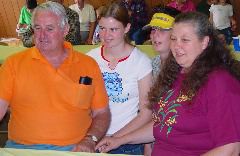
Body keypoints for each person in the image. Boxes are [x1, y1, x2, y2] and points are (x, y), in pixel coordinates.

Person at [96, 12, 240, 155]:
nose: (177, 46)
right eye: (173, 39)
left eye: (185, 40)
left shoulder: (220, 82)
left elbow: (231, 148)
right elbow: (164, 124)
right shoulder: (177, 73)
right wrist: (120, 140)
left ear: (205, 42)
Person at [0, 1, 110, 152]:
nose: (42, 35)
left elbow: (102, 113)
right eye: (37, 28)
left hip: (75, 148)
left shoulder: (88, 64)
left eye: (49, 28)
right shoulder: (14, 64)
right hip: (23, 148)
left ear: (65, 30)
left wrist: (90, 139)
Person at [87, 1, 152, 155]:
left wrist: (114, 138)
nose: (105, 35)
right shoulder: (90, 58)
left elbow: (146, 112)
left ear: (127, 28)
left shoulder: (141, 62)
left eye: (113, 29)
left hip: (126, 143)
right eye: (102, 28)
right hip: (93, 138)